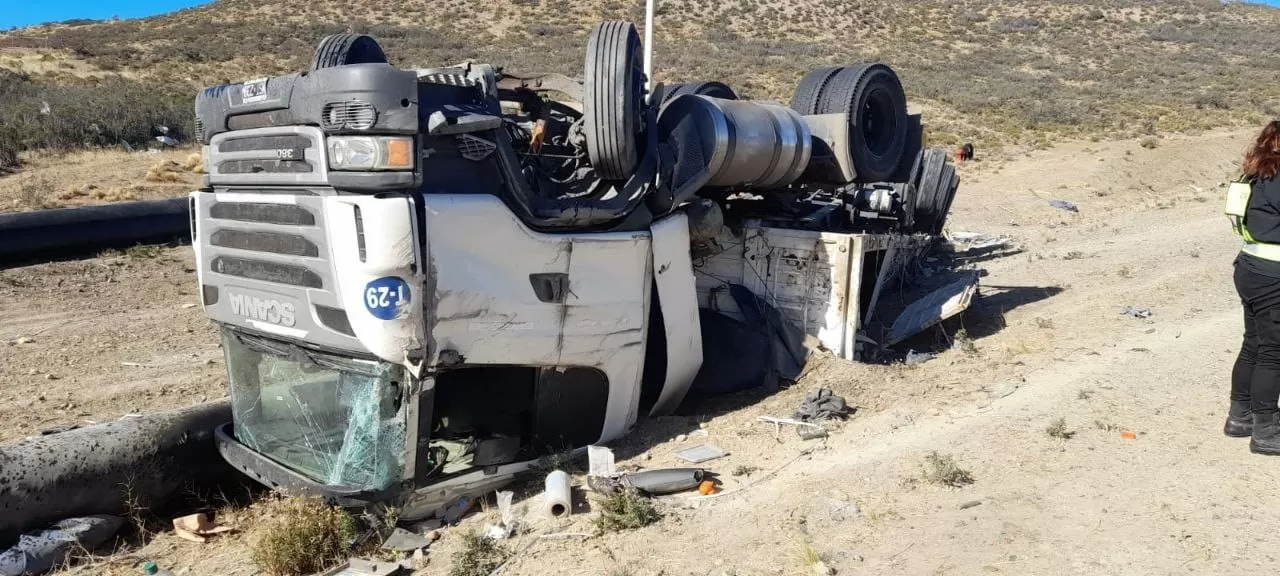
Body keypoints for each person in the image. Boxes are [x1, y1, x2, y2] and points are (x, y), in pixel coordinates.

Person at [1228, 120, 1280, 455]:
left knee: (1254, 344)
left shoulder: (1255, 174)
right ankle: (1266, 430)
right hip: (1273, 274)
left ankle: (1240, 416)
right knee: (1274, 353)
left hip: (1248, 267)